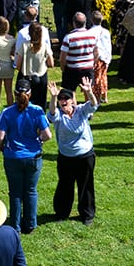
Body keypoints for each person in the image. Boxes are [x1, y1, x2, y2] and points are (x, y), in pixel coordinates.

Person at [0, 78, 52, 233]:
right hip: (33, 157)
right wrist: (38, 140)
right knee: (31, 191)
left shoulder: (7, 113)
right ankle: (31, 224)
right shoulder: (37, 111)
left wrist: (2, 144)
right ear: (30, 93)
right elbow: (48, 135)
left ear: (14, 94)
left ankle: (15, 225)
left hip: (13, 157)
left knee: (15, 193)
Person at [46, 78, 99, 224]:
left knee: (86, 185)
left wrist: (89, 92)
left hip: (85, 156)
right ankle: (62, 213)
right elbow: (51, 113)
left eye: (66, 98)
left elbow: (94, 105)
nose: (63, 101)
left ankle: (87, 215)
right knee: (65, 186)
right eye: (61, 99)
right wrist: (53, 97)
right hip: (66, 157)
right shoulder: (58, 115)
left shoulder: (81, 110)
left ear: (72, 100)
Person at [14, 20, 52, 109]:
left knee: (25, 103)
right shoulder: (45, 46)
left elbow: (18, 65)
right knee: (41, 104)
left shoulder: (24, 46)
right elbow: (51, 63)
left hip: (26, 77)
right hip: (41, 77)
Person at [0, 17, 16, 114]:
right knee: (9, 91)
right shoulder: (12, 39)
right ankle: (11, 113)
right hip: (9, 66)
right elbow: (14, 53)